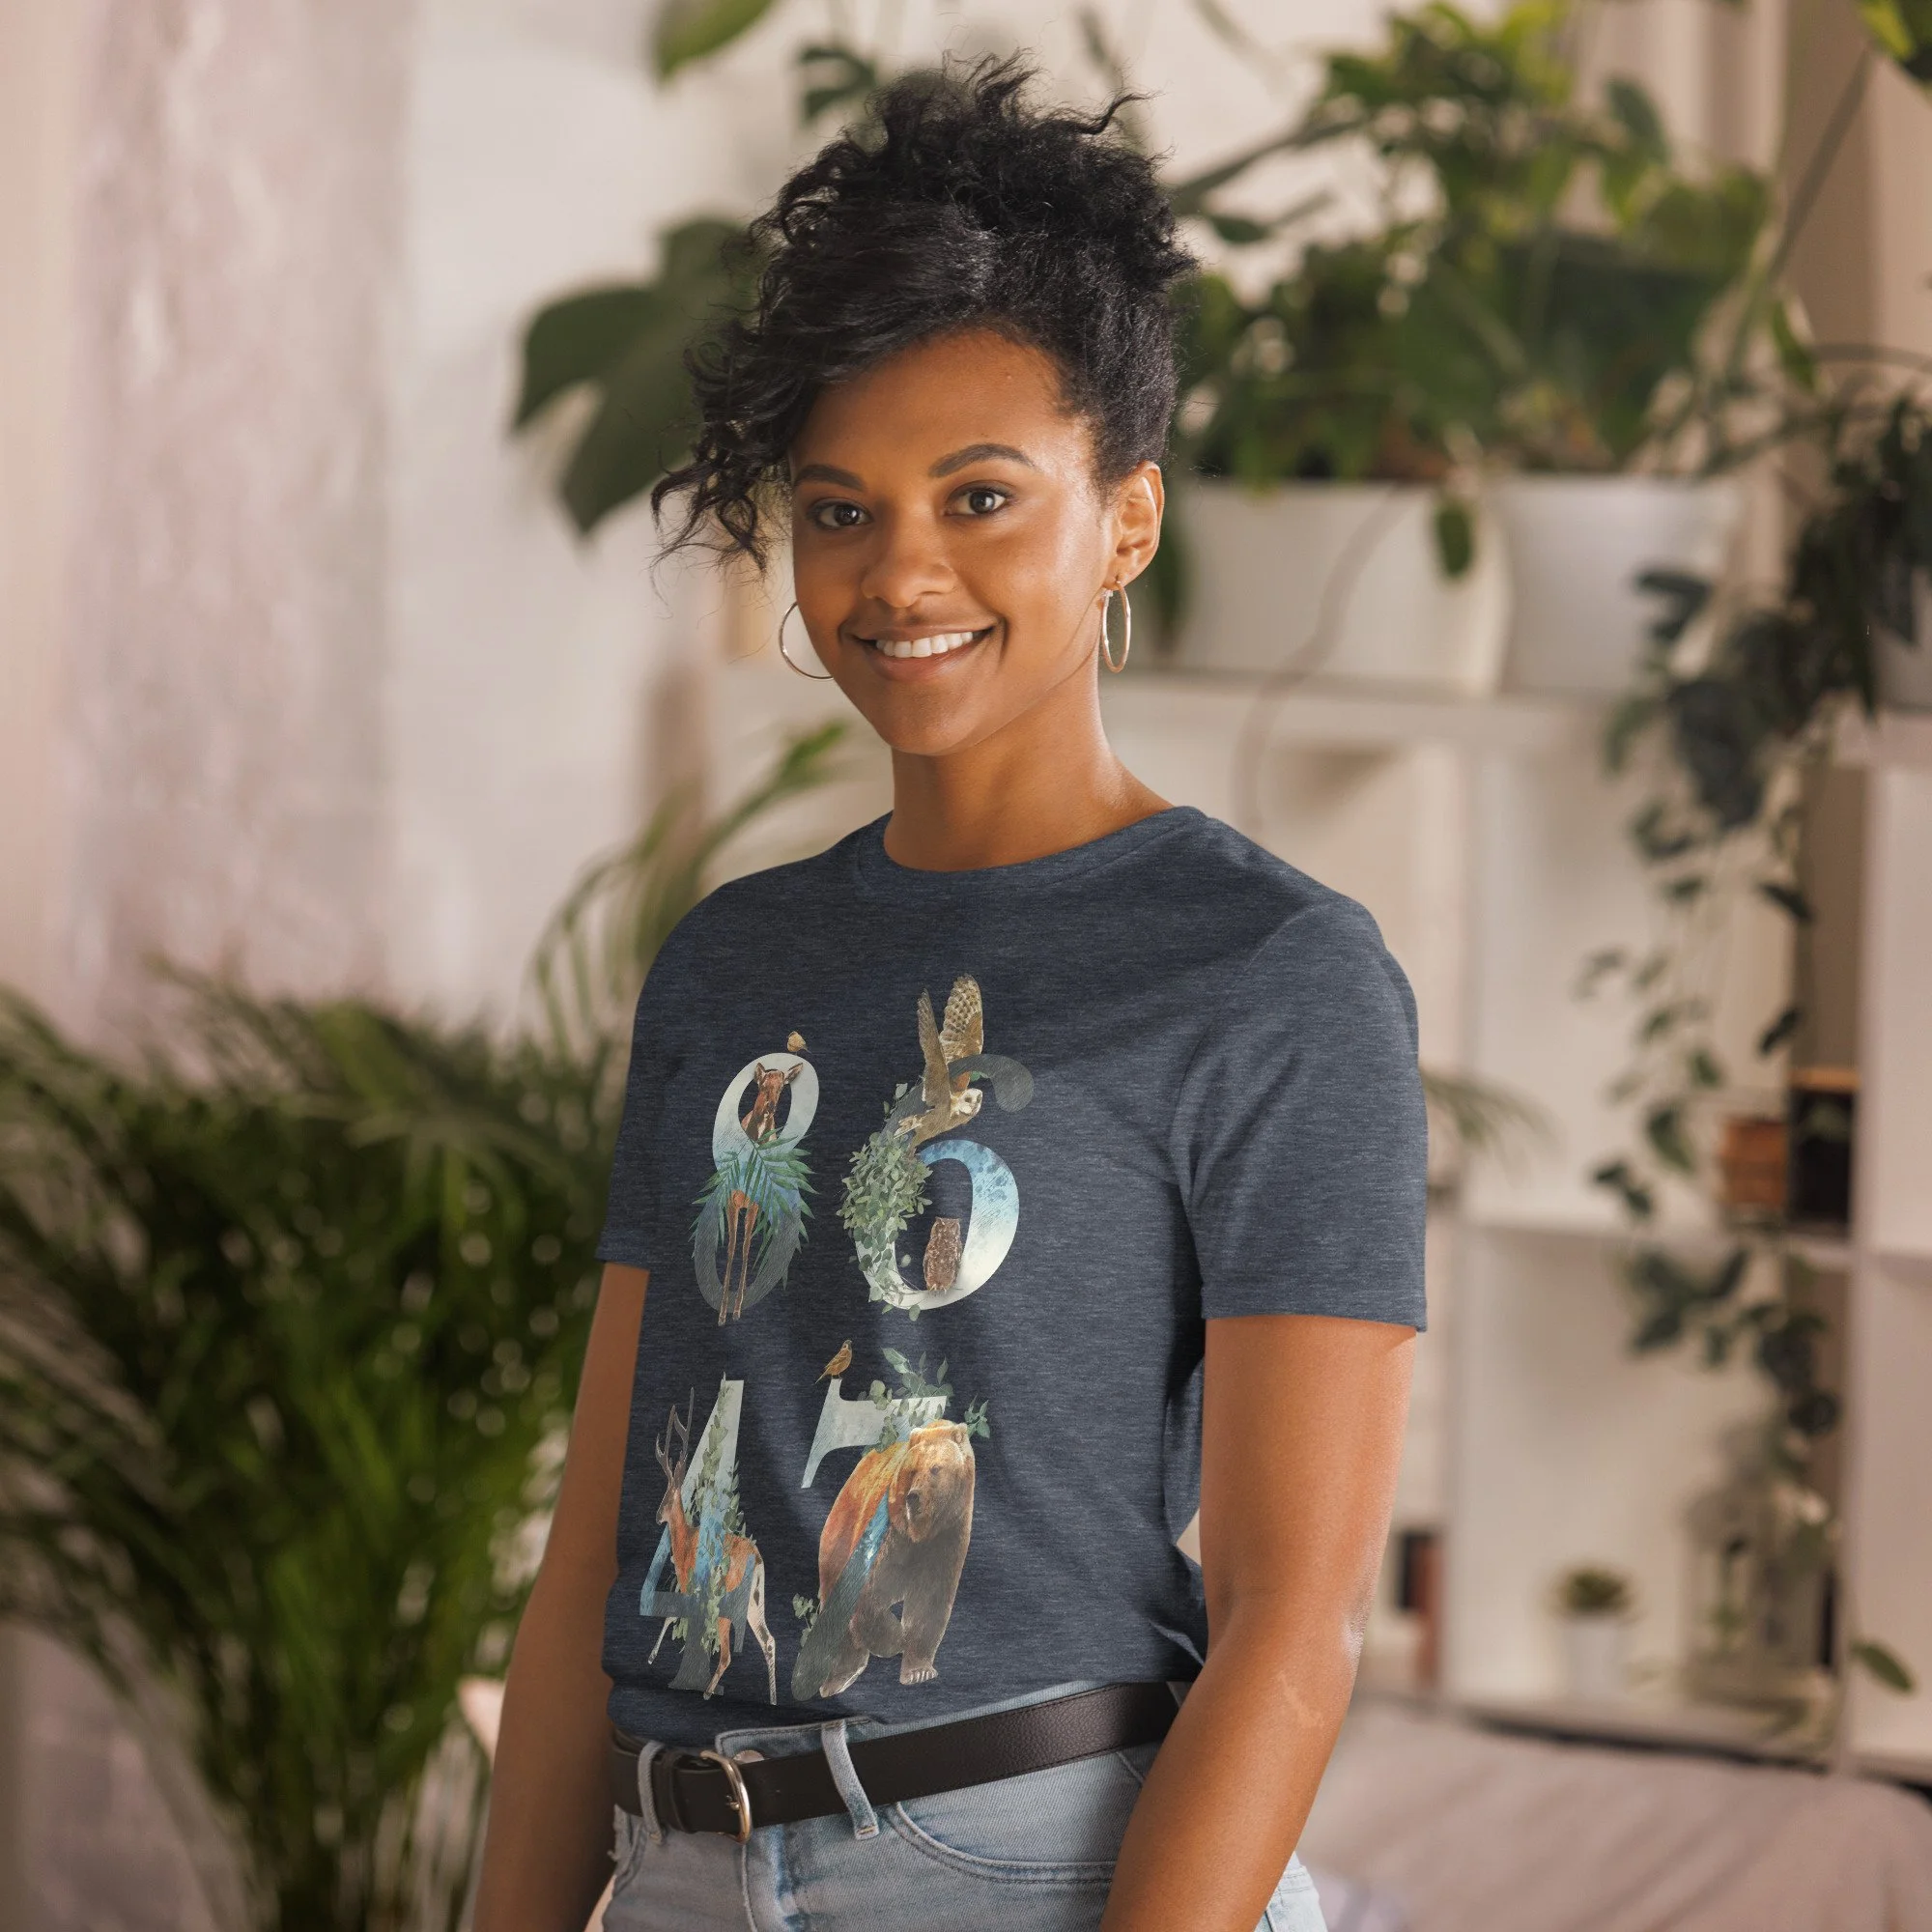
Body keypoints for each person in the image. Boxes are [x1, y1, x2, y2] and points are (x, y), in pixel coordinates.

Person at [473, 58, 1423, 1932]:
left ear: (1126, 518)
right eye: (840, 510)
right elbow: (599, 1545)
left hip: (1029, 1864)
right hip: (678, 1866)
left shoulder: (1269, 970)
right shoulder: (733, 960)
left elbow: (1292, 1621)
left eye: (981, 496)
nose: (900, 572)